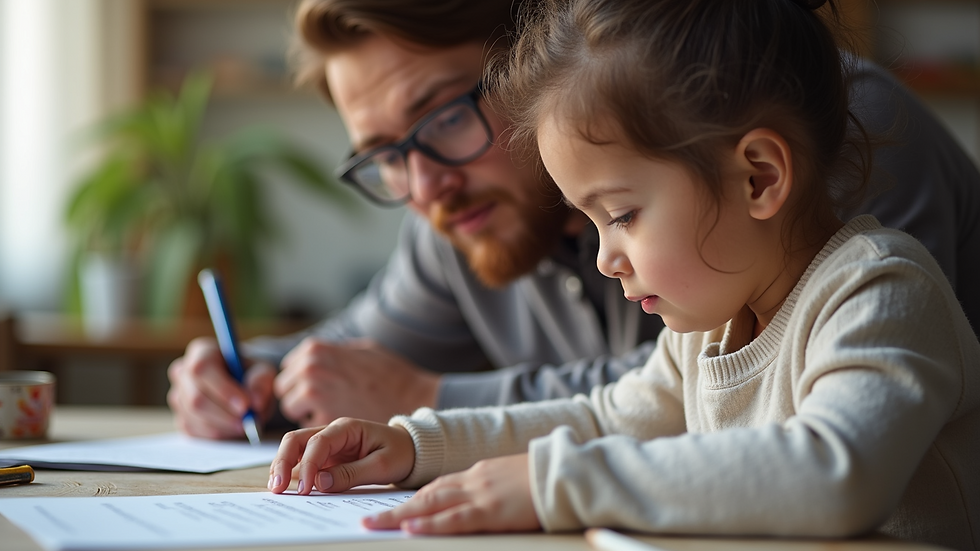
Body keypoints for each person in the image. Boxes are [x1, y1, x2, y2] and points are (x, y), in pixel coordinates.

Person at [267, 0, 980, 549]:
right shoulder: (713, 325)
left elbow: (837, 473)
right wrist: (417, 444)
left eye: (623, 213)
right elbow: (604, 416)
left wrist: (555, 486)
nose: (606, 256)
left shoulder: (880, 290)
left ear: (759, 177)